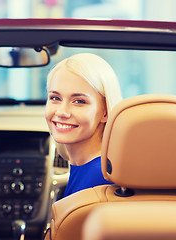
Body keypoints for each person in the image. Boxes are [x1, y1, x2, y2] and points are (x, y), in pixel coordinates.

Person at [45, 53, 123, 198]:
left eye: (79, 101)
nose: (62, 112)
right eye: (55, 98)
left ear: (105, 112)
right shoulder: (91, 167)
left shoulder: (101, 179)